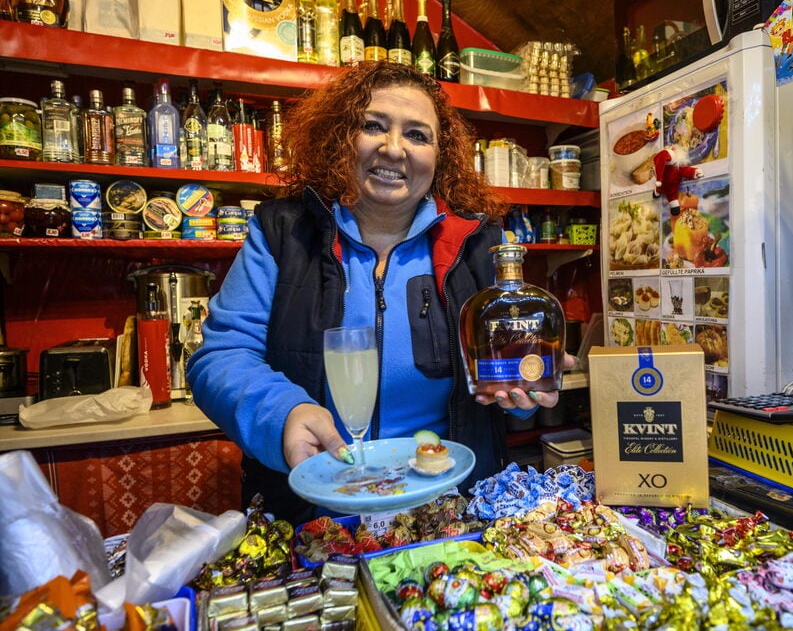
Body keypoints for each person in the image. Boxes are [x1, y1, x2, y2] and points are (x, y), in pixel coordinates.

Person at [187, 61, 569, 524]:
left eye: (417, 135)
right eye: (373, 126)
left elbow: (505, 364)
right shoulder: (282, 231)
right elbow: (222, 355)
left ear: (440, 156)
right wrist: (281, 414)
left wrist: (522, 388)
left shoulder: (480, 244)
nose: (394, 149)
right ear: (340, 139)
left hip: (455, 508)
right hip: (319, 511)